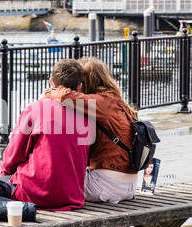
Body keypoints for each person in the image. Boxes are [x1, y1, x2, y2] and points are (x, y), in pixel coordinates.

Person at [0, 59, 95, 211]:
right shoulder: (87, 115)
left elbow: (12, 155)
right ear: (79, 87)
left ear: (51, 82)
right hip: (72, 197)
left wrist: (6, 173)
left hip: (32, 194)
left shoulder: (36, 108)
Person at [45, 57, 139, 205]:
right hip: (129, 187)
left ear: (85, 81)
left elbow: (64, 96)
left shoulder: (101, 102)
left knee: (48, 182)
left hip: (104, 187)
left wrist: (49, 93)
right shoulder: (117, 102)